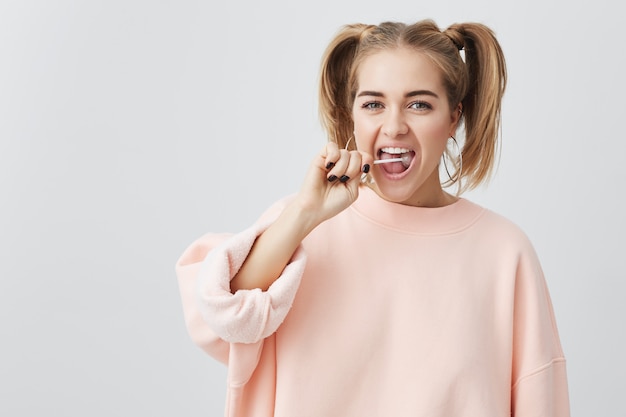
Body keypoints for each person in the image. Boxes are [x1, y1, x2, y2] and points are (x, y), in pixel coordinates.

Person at [176, 19, 570, 417]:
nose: (394, 126)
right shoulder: (302, 227)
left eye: (419, 104)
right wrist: (305, 214)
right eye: (373, 104)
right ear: (352, 116)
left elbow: (541, 402)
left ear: (454, 117)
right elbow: (222, 319)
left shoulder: (504, 252)